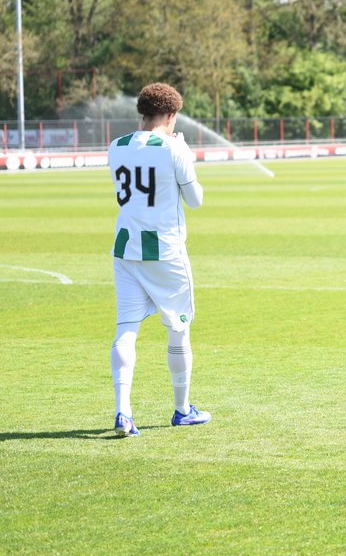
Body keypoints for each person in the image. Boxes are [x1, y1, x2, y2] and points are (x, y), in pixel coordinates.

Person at [108, 83, 210, 437]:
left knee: (126, 331)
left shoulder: (115, 146)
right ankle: (182, 410)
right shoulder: (173, 149)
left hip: (125, 250)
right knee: (178, 329)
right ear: (171, 116)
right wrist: (184, 152)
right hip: (165, 251)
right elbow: (195, 200)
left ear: (142, 112)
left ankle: (123, 412)